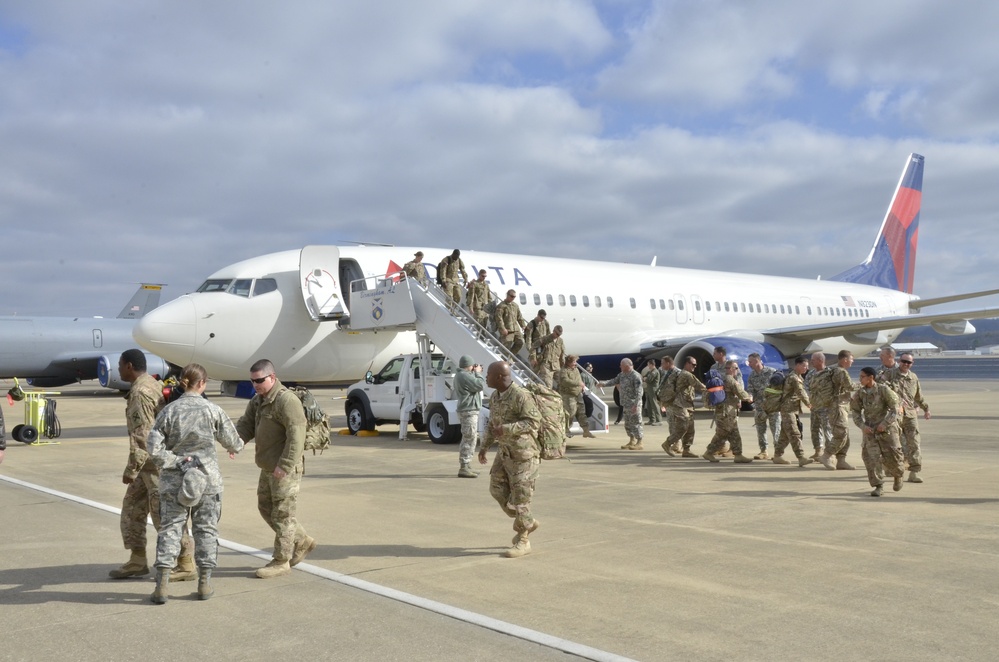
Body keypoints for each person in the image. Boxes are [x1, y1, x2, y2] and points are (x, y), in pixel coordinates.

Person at [146, 364, 244, 604]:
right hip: (207, 481)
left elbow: (153, 449)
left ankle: (162, 586)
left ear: (183, 382)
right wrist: (233, 448)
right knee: (206, 530)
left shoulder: (169, 412)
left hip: (173, 481)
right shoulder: (213, 410)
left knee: (170, 528)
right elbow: (234, 442)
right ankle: (204, 583)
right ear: (202, 384)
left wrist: (177, 461)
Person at [109, 349, 195, 582]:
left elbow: (143, 436)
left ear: (128, 366)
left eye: (120, 364)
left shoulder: (140, 392)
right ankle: (137, 560)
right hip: (148, 465)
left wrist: (131, 470)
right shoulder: (153, 384)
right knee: (132, 510)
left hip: (155, 465)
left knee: (165, 515)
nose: (118, 369)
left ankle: (186, 563)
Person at [235, 359, 316, 578]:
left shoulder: (286, 401)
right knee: (266, 508)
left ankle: (281, 560)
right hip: (268, 466)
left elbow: (296, 436)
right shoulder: (258, 400)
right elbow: (246, 424)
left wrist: (285, 465)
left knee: (282, 515)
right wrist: (237, 442)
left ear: (272, 377)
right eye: (252, 381)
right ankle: (302, 541)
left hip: (284, 468)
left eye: (259, 380)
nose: (255, 385)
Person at [478, 362, 542, 558]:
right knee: (496, 489)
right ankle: (528, 520)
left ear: (499, 377)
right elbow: (492, 424)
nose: (485, 378)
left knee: (521, 498)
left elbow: (534, 421)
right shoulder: (495, 397)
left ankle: (523, 540)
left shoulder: (520, 396)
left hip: (523, 455)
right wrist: (484, 447)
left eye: (488, 374)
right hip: (505, 452)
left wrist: (507, 429)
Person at [851, 367, 905, 497]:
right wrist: (862, 426)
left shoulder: (884, 390)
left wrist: (885, 424)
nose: (860, 379)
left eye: (862, 376)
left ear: (871, 377)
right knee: (871, 458)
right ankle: (878, 485)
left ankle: (898, 476)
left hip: (887, 429)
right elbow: (855, 412)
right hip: (870, 430)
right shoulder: (860, 393)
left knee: (894, 455)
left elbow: (895, 409)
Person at [890, 353, 931, 483]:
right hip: (894, 416)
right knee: (894, 445)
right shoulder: (889, 375)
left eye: (909, 362)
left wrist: (926, 409)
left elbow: (918, 396)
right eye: (904, 361)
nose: (906, 364)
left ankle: (914, 472)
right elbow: (880, 391)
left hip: (910, 415)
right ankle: (893, 469)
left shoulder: (913, 377)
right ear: (899, 361)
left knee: (914, 443)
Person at [703, 361, 755, 463]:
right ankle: (709, 452)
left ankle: (738, 454)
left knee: (733, 433)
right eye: (736, 368)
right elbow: (740, 393)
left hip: (723, 411)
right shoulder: (730, 380)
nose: (737, 371)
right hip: (726, 413)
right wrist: (749, 398)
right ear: (731, 369)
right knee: (723, 434)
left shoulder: (722, 378)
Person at [817, 350, 856, 471]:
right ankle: (826, 455)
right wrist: (865, 383)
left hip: (841, 406)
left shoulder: (834, 370)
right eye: (851, 359)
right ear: (845, 359)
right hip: (837, 407)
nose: (852, 362)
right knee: (841, 434)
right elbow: (850, 387)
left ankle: (841, 460)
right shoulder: (841, 371)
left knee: (846, 436)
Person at [773, 357, 815, 467]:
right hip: (788, 409)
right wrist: (809, 404)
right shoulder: (794, 378)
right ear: (797, 365)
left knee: (785, 435)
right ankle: (801, 457)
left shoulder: (797, 376)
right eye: (804, 366)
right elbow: (800, 392)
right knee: (794, 433)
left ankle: (777, 455)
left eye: (807, 366)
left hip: (791, 409)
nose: (807, 368)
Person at [662, 356, 705, 457]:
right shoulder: (686, 374)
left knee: (690, 428)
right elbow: (699, 385)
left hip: (687, 404)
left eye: (696, 365)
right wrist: (715, 389)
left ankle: (687, 450)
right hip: (680, 404)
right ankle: (667, 443)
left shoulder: (685, 374)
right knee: (683, 426)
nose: (695, 366)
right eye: (693, 364)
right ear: (687, 364)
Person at [598, 358, 644, 450]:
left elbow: (639, 392)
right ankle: (632, 440)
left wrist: (636, 405)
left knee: (636, 423)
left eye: (621, 365)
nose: (620, 367)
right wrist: (603, 384)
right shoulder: (622, 375)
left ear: (627, 366)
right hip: (625, 404)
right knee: (627, 423)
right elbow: (613, 381)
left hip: (634, 404)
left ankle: (639, 442)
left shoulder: (635, 376)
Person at [454, 356, 485, 478]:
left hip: (468, 409)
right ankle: (464, 466)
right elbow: (480, 385)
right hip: (468, 410)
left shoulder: (462, 375)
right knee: (469, 437)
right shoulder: (464, 375)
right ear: (469, 365)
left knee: (470, 437)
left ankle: (467, 465)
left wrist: (474, 373)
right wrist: (478, 374)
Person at [746, 353, 780, 459]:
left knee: (776, 430)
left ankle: (778, 453)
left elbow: (779, 388)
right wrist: (750, 398)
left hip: (773, 407)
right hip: (760, 407)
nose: (749, 364)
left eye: (750, 362)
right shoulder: (752, 375)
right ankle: (763, 451)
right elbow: (750, 390)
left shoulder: (772, 372)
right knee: (760, 430)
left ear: (757, 361)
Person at [555, 355, 595, 439]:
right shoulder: (563, 371)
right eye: (573, 362)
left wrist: (582, 387)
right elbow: (565, 381)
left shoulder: (576, 369)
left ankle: (586, 430)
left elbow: (579, 379)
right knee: (570, 413)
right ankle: (566, 430)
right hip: (568, 396)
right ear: (568, 362)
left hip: (578, 394)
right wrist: (578, 383)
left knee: (582, 413)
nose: (575, 363)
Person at [805, 352, 833, 460]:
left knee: (827, 430)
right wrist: (809, 399)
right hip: (814, 406)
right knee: (815, 429)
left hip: (826, 407)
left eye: (813, 360)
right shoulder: (811, 373)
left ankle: (829, 453)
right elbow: (806, 387)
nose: (811, 362)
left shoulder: (830, 373)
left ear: (821, 360)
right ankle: (818, 451)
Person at [494, 289, 527, 355]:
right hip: (507, 330)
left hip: (516, 329)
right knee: (507, 346)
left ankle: (510, 357)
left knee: (521, 342)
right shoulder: (501, 306)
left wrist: (523, 326)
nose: (513, 298)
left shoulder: (515, 305)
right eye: (511, 296)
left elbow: (519, 317)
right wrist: (503, 328)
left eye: (514, 297)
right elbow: (499, 319)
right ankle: (505, 360)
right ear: (507, 295)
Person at [642, 359, 662, 426]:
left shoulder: (655, 372)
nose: (648, 366)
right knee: (649, 405)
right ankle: (651, 419)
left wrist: (645, 379)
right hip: (649, 389)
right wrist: (645, 378)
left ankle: (659, 420)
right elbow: (644, 377)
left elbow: (649, 380)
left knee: (654, 404)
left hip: (653, 390)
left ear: (651, 364)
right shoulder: (650, 371)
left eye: (648, 364)